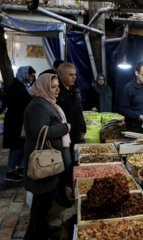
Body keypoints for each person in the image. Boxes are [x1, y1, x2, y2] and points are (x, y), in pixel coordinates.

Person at [23, 73, 71, 240]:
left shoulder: (46, 102)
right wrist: (64, 128)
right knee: (40, 204)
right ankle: (36, 235)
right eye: (53, 86)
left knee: (44, 202)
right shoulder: (39, 105)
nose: (57, 89)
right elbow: (40, 131)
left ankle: (40, 230)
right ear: (43, 87)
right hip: (43, 161)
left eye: (57, 85)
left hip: (48, 160)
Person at [56, 62, 86, 206]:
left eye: (75, 74)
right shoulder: (56, 92)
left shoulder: (75, 90)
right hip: (62, 136)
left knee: (73, 164)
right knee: (63, 166)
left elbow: (79, 111)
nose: (74, 77)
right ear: (60, 75)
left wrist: (83, 128)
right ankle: (60, 195)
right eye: (70, 74)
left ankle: (73, 189)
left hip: (75, 135)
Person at [3, 66, 36, 182]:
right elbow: (14, 104)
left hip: (22, 121)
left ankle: (21, 168)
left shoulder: (26, 86)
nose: (32, 78)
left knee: (23, 146)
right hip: (15, 122)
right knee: (16, 147)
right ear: (25, 74)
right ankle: (10, 172)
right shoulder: (16, 86)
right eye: (31, 75)